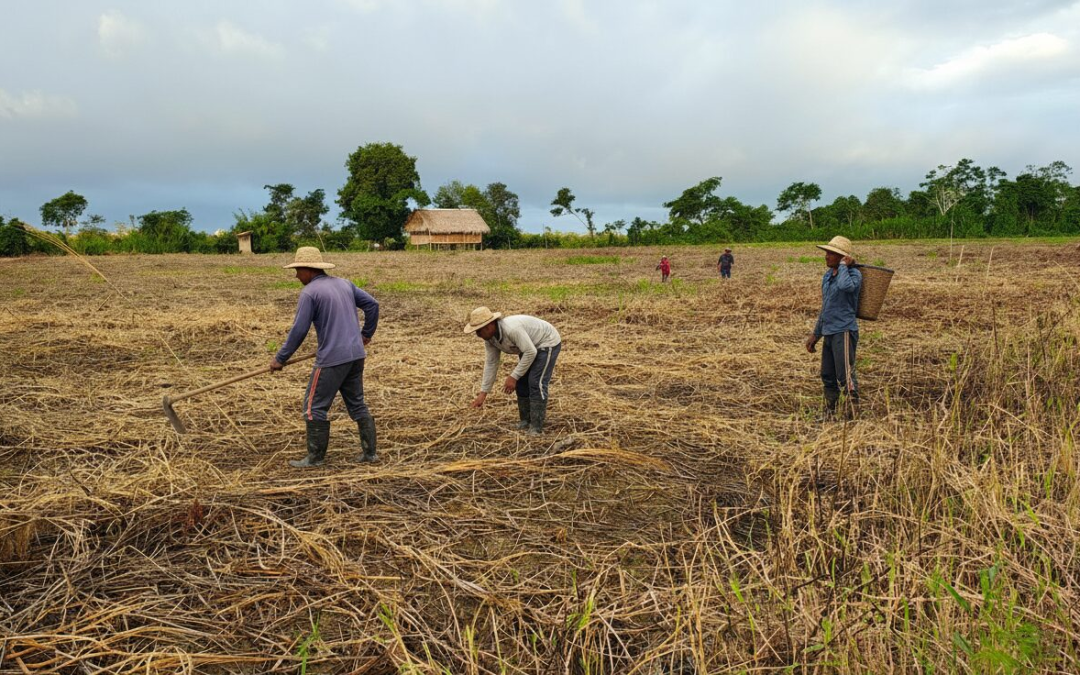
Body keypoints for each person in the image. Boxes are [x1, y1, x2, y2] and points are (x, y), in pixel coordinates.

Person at [270, 246, 380, 467]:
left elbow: (299, 330)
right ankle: (370, 454)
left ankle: (315, 458)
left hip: (331, 358)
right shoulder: (344, 284)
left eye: (298, 270)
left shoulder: (310, 292)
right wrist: (365, 334)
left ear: (308, 269)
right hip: (356, 354)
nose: (296, 275)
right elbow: (372, 304)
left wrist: (280, 358)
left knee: (313, 408)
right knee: (357, 404)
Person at [465, 306, 562, 435]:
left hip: (546, 342)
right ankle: (525, 421)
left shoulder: (511, 329)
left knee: (535, 382)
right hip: (528, 347)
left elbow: (530, 352)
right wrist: (483, 393)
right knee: (522, 382)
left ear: (489, 326)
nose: (478, 335)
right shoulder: (490, 339)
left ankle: (536, 426)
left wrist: (513, 376)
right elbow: (492, 363)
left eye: (479, 331)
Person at [804, 236, 862, 421]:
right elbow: (826, 307)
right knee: (827, 374)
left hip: (843, 330)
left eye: (831, 253)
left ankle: (853, 412)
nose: (826, 256)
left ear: (842, 257)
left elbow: (847, 287)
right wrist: (816, 334)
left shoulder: (854, 275)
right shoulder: (828, 276)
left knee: (845, 374)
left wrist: (845, 266)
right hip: (828, 330)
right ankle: (830, 412)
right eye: (827, 252)